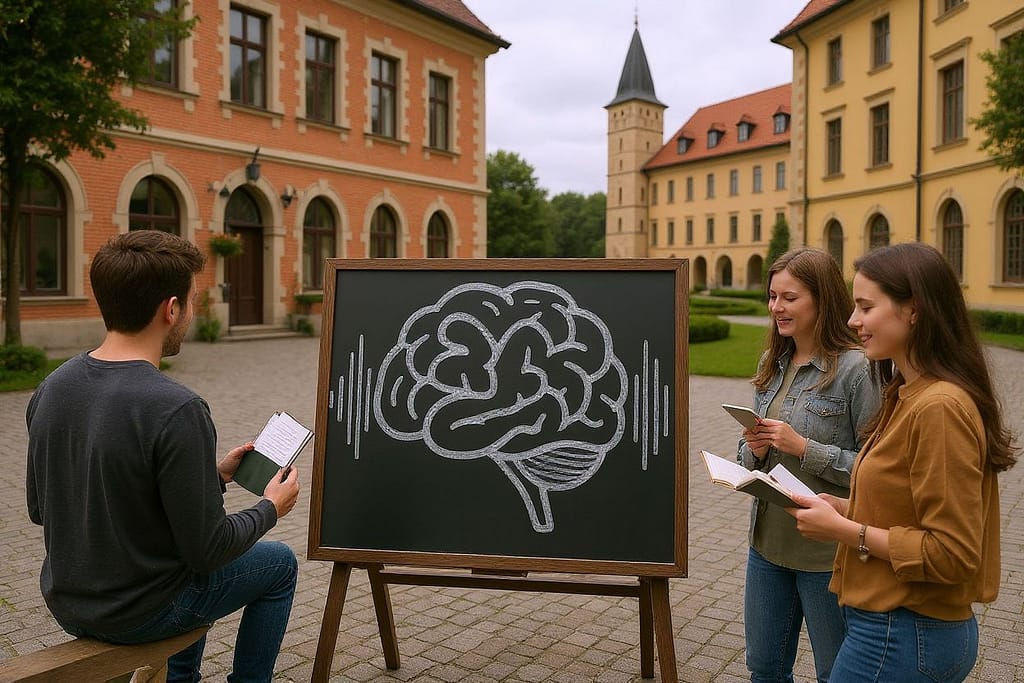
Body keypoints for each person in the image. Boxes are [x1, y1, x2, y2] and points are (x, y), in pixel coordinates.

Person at [26, 230, 301, 683]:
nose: (192, 314)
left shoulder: (52, 387)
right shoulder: (178, 408)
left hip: (67, 603)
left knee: (183, 562)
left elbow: (43, 509)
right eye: (192, 301)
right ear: (170, 309)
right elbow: (209, 549)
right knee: (278, 564)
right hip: (140, 613)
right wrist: (271, 507)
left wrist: (213, 476)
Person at [789, 242, 1017, 682]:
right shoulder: (907, 393)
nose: (853, 321)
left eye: (865, 307)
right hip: (896, 627)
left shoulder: (939, 407)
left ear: (913, 311)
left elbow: (953, 553)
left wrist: (845, 531)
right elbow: (908, 509)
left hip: (904, 632)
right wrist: (847, 509)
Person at [737, 247, 881, 683]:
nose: (776, 307)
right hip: (767, 546)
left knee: (834, 673)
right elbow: (751, 453)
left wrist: (804, 448)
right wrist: (754, 451)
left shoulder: (858, 371)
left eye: (790, 297)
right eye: (772, 296)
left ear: (821, 300)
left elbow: (875, 472)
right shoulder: (772, 363)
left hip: (827, 554)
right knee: (764, 668)